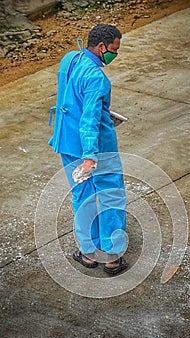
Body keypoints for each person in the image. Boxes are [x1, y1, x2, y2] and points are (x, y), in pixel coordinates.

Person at [48, 23, 128, 275]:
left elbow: (73, 101)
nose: (115, 54)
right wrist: (90, 156)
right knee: (110, 194)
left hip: (67, 141)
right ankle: (113, 257)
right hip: (95, 149)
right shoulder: (97, 77)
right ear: (102, 46)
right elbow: (90, 118)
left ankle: (88, 252)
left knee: (82, 195)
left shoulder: (70, 59)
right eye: (114, 49)